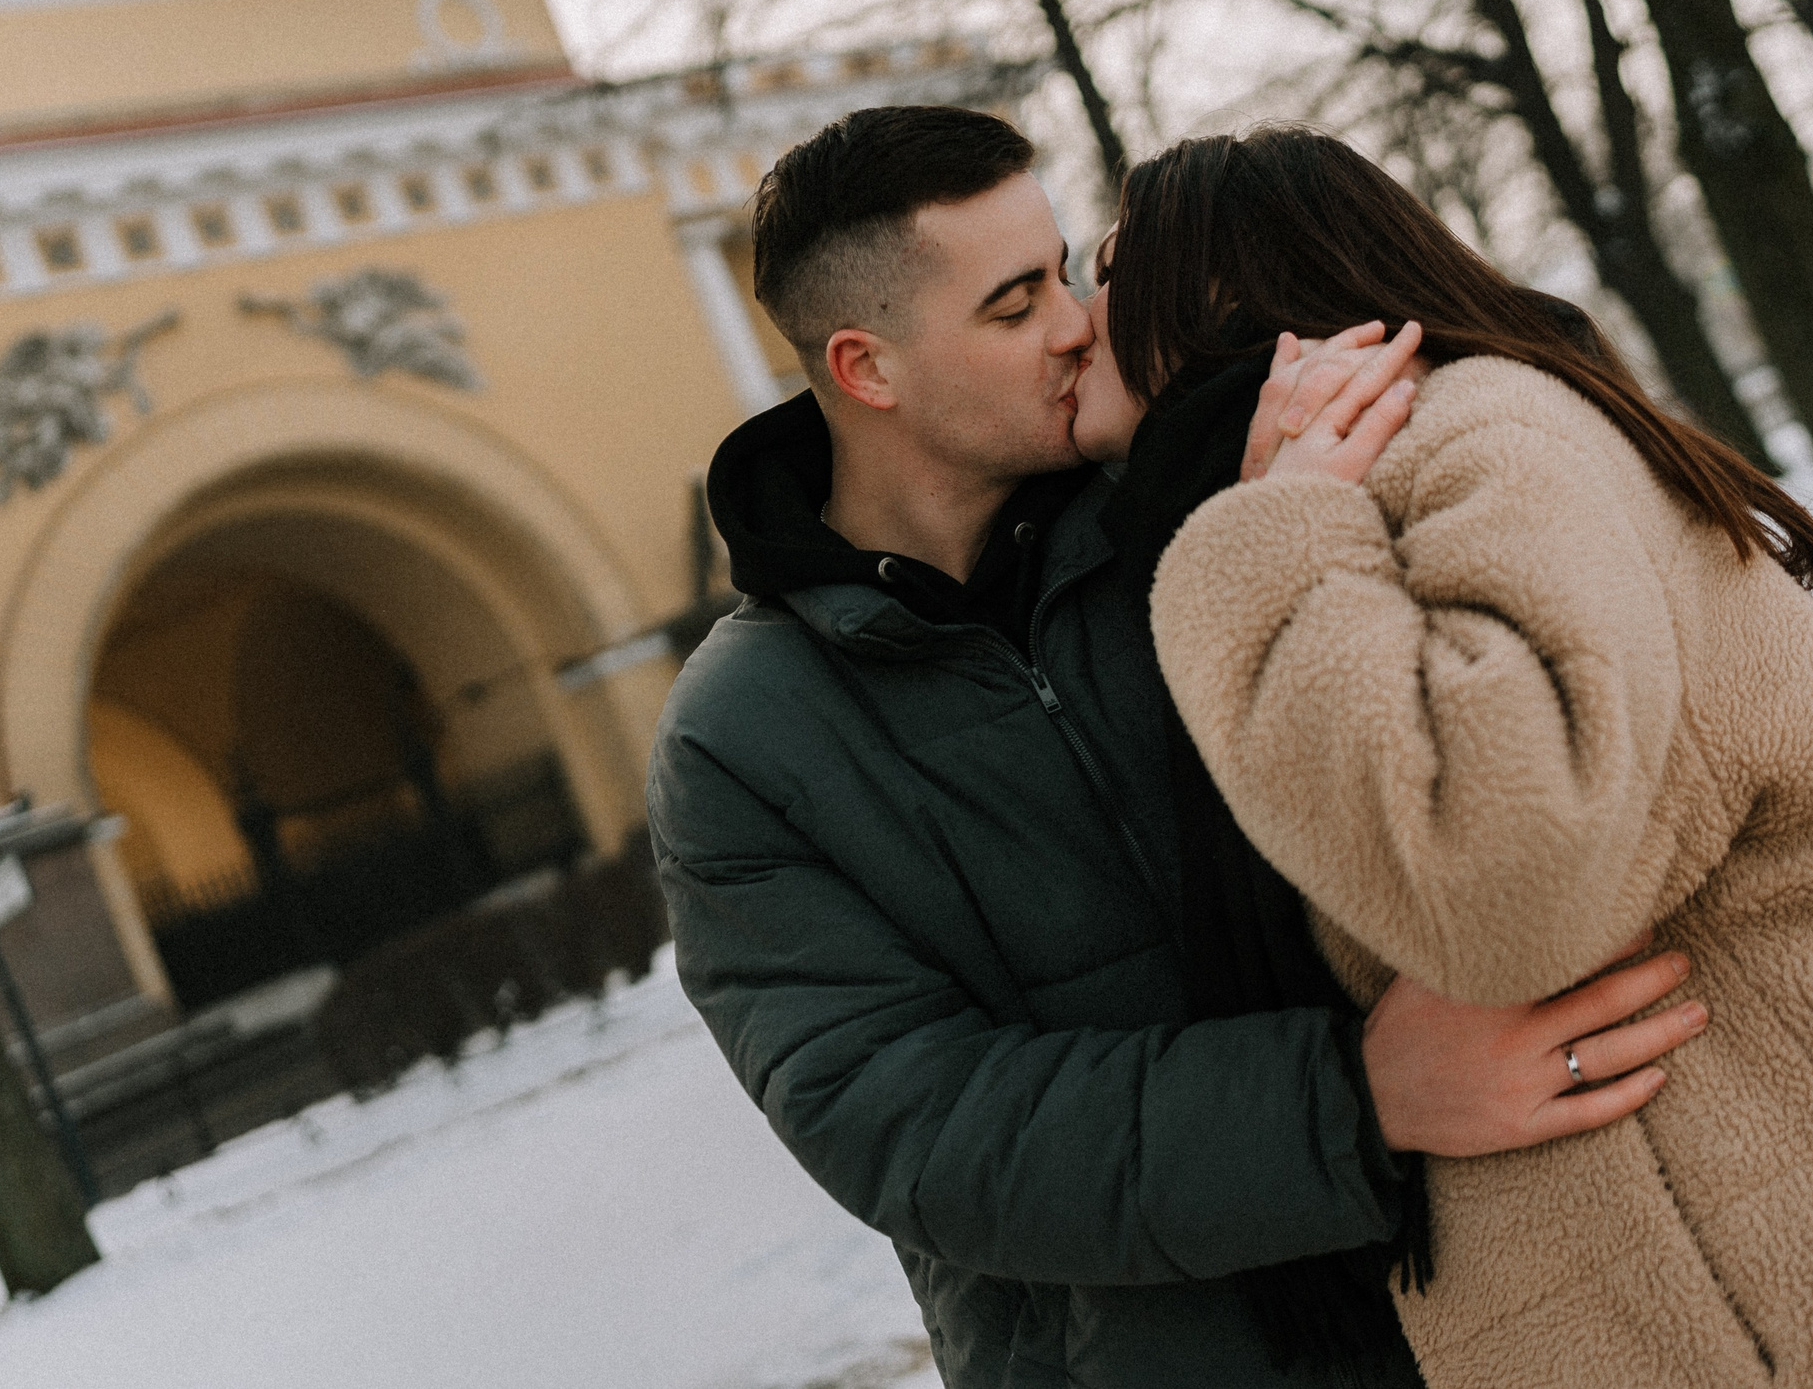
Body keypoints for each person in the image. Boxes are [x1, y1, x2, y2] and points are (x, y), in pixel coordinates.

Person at [1066, 123, 1813, 1388]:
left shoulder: (1470, 434)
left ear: (1224, 282)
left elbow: (1498, 871)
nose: (1076, 316)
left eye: (1108, 263)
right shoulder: (1305, 499)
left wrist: (1275, 535)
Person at [646, 106, 1709, 1389]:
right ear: (868, 369)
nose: (1076, 323)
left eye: (1065, 273)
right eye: (1011, 304)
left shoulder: (1228, 496)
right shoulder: (740, 741)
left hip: (1511, 1303)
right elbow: (904, 1123)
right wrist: (1349, 1097)